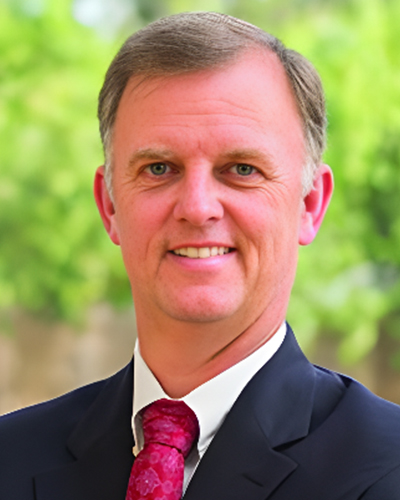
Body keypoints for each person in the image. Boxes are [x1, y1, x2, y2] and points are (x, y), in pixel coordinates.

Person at [1, 11, 400, 500]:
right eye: (159, 167)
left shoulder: (387, 469)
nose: (196, 207)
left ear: (309, 204)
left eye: (241, 168)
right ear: (109, 206)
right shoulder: (10, 459)